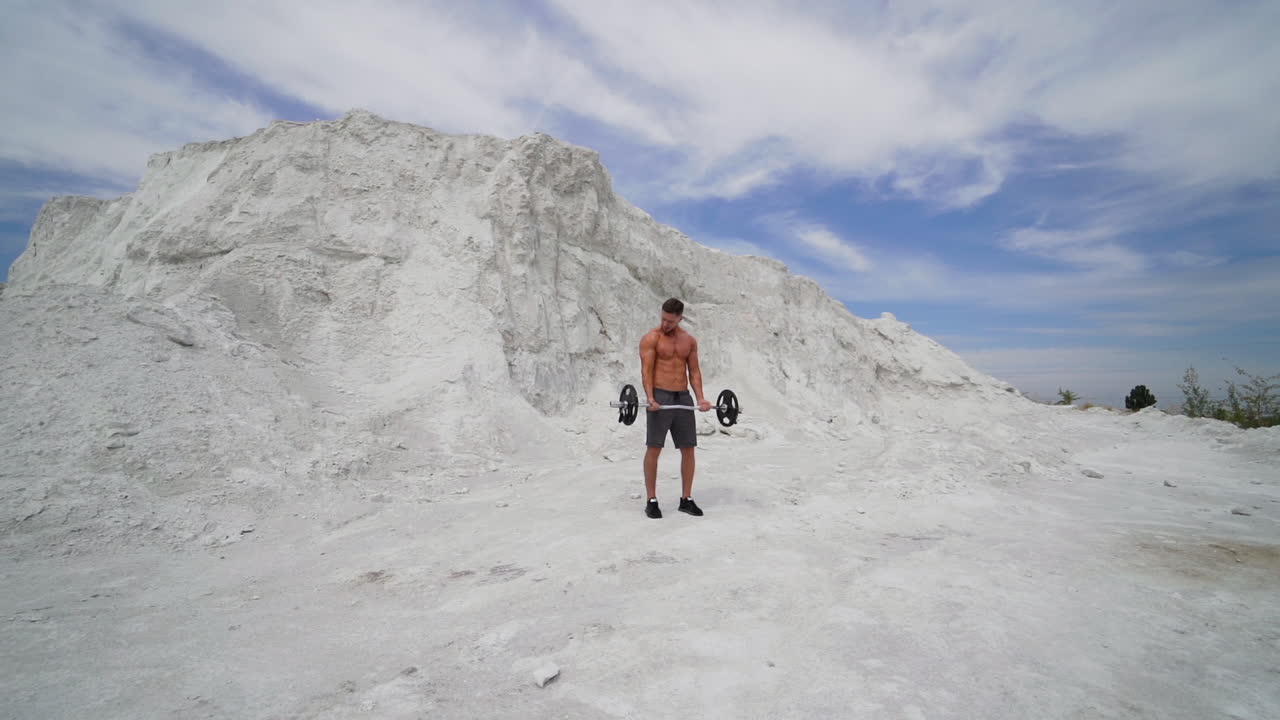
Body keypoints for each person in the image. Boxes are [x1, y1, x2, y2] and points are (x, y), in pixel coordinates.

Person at [638, 297, 712, 519]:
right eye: (663, 319)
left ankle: (686, 499)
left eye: (670, 321)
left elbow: (695, 372)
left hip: (683, 398)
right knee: (654, 447)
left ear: (680, 318)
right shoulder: (652, 338)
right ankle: (652, 500)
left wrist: (700, 399)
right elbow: (646, 371)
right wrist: (650, 397)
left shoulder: (689, 341)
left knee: (688, 448)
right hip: (660, 396)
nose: (665, 324)